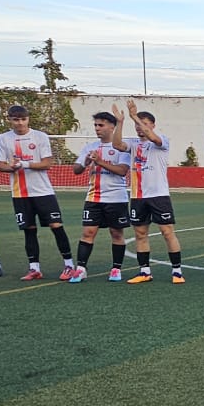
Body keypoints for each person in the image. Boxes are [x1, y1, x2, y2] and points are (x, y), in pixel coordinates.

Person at [0, 105, 75, 279]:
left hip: (43, 192)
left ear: (28, 119)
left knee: (56, 226)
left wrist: (24, 164)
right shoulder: (4, 139)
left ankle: (69, 265)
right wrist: (11, 167)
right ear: (10, 120)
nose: (20, 123)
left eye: (23, 119)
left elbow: (47, 163)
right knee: (29, 230)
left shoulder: (40, 137)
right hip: (20, 194)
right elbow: (0, 165)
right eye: (16, 119)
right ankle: (34, 268)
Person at [67, 111, 132, 283]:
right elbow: (76, 169)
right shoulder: (90, 147)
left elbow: (122, 171)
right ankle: (81, 269)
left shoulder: (121, 147)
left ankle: (116, 269)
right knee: (88, 232)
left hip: (116, 198)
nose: (97, 128)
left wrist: (100, 162)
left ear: (112, 126)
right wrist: (87, 162)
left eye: (101, 125)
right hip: (93, 197)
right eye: (96, 125)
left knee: (116, 233)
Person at [121, 100, 182, 284]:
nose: (140, 128)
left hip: (159, 195)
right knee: (140, 234)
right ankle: (145, 271)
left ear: (153, 125)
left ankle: (177, 271)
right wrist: (121, 122)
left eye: (145, 124)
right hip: (138, 196)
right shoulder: (132, 143)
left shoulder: (161, 141)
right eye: (138, 125)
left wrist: (134, 116)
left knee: (167, 232)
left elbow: (151, 136)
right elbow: (116, 144)